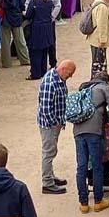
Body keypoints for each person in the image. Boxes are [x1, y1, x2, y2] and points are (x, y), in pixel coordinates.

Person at [72, 70, 109, 214]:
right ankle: (98, 201)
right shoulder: (105, 87)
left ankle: (84, 204)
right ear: (106, 80)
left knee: (81, 166)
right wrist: (104, 119)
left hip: (78, 130)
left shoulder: (83, 87)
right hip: (94, 131)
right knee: (97, 166)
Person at [36, 59, 75, 195]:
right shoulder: (50, 83)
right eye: (69, 74)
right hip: (49, 125)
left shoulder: (59, 78)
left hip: (54, 123)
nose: (69, 77)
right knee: (49, 152)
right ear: (63, 69)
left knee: (51, 150)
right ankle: (47, 183)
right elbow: (45, 109)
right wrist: (55, 123)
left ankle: (51, 177)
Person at [24, 0, 58, 81]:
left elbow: (29, 15)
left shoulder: (34, 1)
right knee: (44, 50)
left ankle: (35, 73)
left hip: (36, 29)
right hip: (47, 28)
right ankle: (43, 71)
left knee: (35, 52)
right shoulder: (49, 1)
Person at [0, 0, 27, 70]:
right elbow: (22, 5)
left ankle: (6, 62)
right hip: (17, 19)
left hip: (5, 20)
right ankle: (25, 60)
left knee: (5, 43)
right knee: (20, 41)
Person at [88, 0, 109, 72]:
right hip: (98, 40)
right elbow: (102, 25)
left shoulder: (98, 3)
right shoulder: (102, 7)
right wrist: (103, 40)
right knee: (99, 62)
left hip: (95, 39)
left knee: (98, 61)